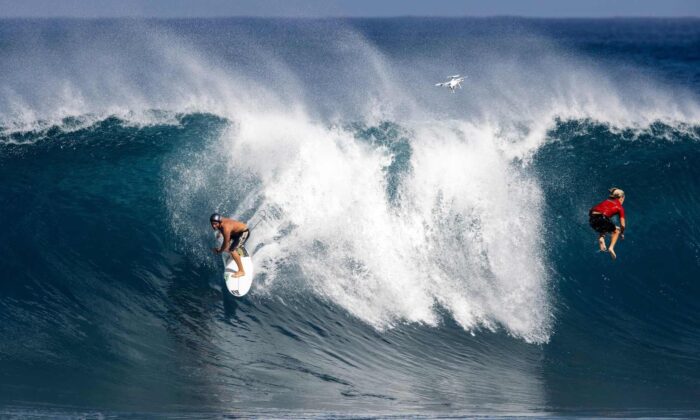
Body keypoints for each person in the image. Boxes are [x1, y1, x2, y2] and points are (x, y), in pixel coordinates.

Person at [589, 187, 626, 260]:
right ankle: (611, 248)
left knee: (606, 224)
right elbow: (623, 225)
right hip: (601, 218)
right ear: (621, 198)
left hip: (592, 219)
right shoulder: (620, 207)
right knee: (616, 231)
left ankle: (601, 238)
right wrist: (621, 233)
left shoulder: (608, 200)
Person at [210, 213, 250, 277]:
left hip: (244, 232)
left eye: (215, 224)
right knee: (228, 247)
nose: (214, 226)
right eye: (212, 224)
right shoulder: (221, 221)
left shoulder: (225, 228)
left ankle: (241, 271)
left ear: (219, 222)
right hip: (235, 232)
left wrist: (219, 251)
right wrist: (220, 232)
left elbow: (225, 243)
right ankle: (236, 250)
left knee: (232, 250)